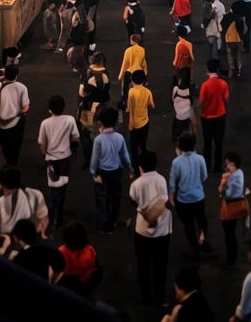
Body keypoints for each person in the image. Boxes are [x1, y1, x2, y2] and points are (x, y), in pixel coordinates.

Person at [131, 150, 174, 303]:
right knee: (160, 264)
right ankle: (160, 295)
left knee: (143, 264)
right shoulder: (161, 179)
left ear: (140, 166)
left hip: (142, 231)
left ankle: (146, 295)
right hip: (162, 230)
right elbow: (164, 200)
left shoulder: (136, 183)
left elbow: (134, 199)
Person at [38, 94, 81, 229]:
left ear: (50, 109)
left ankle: (54, 217)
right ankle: (59, 213)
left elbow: (42, 143)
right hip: (65, 158)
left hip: (51, 159)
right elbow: (76, 137)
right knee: (62, 187)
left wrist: (45, 154)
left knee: (53, 189)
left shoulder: (45, 123)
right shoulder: (69, 120)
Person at [90, 104, 132, 233]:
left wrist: (94, 173)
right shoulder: (119, 138)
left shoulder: (98, 140)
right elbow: (125, 155)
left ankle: (104, 225)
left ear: (100, 123)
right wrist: (129, 168)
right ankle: (113, 221)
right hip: (116, 172)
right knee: (115, 197)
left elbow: (94, 159)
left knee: (102, 199)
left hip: (102, 173)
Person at [169, 130, 211, 259]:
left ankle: (193, 246)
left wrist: (171, 197)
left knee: (188, 224)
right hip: (198, 197)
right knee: (201, 219)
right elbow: (204, 176)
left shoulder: (176, 162)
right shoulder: (200, 159)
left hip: (183, 200)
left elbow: (172, 183)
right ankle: (202, 237)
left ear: (180, 146)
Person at [0, 165, 49, 238]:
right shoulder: (36, 194)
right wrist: (42, 234)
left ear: (0, 184)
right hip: (31, 237)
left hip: (10, 239)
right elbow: (44, 219)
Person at [0, 63, 31, 167]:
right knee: (16, 145)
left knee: (5, 145)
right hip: (17, 122)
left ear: (5, 74)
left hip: (2, 123)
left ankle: (8, 162)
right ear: (16, 75)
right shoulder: (22, 87)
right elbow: (26, 107)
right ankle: (13, 163)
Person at [218, 151, 249, 267]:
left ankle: (231, 259)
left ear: (234, 164)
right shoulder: (240, 173)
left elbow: (225, 193)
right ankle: (232, 257)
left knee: (229, 234)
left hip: (231, 208)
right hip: (237, 206)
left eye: (229, 165)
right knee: (231, 233)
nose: (227, 166)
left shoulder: (232, 177)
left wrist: (223, 183)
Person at [199, 58, 231, 168]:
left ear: (207, 70)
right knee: (219, 142)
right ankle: (218, 165)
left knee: (207, 143)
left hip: (207, 116)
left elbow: (202, 100)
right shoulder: (223, 84)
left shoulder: (205, 85)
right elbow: (226, 99)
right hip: (220, 115)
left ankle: (207, 165)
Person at [58, 222, 102, 296]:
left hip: (65, 290)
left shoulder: (61, 251)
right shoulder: (90, 251)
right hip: (85, 288)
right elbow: (97, 272)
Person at [126, 69, 157, 161]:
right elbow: (152, 105)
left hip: (135, 124)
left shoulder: (131, 91)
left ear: (132, 81)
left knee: (133, 145)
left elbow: (129, 108)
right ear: (143, 80)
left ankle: (135, 163)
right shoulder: (147, 91)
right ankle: (144, 152)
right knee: (143, 141)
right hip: (145, 121)